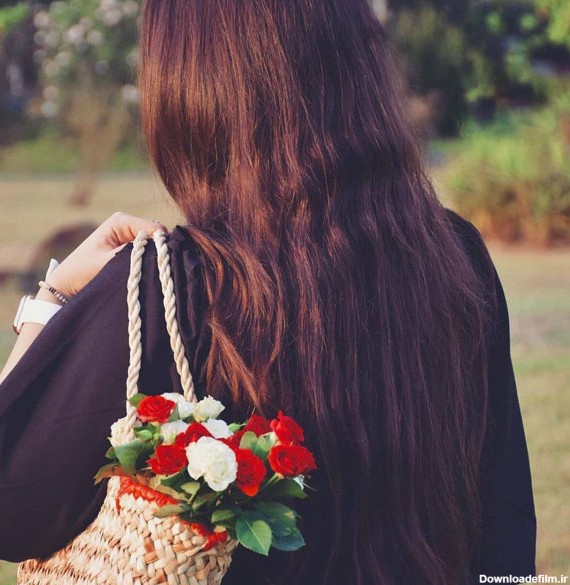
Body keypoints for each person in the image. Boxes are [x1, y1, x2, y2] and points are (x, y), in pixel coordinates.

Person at [0, 1, 536, 584]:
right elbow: (506, 533)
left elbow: (11, 510)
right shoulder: (456, 257)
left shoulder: (167, 287)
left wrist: (52, 297)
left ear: (191, 94)